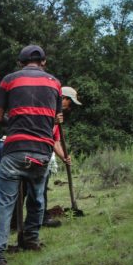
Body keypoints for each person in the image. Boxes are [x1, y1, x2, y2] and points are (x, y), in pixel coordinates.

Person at [0, 44, 62, 265]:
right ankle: (31, 239)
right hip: (42, 151)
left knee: (4, 203)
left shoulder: (9, 80)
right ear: (44, 63)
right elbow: (57, 119)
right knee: (38, 198)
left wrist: (15, 120)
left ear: (20, 63)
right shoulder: (55, 84)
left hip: (15, 149)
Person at [41, 86, 80, 227]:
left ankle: (40, 217)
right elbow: (39, 132)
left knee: (40, 187)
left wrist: (64, 157)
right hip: (34, 151)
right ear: (63, 98)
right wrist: (53, 122)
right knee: (35, 188)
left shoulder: (57, 115)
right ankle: (37, 219)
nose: (70, 107)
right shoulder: (45, 109)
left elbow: (55, 141)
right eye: (70, 102)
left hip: (45, 152)